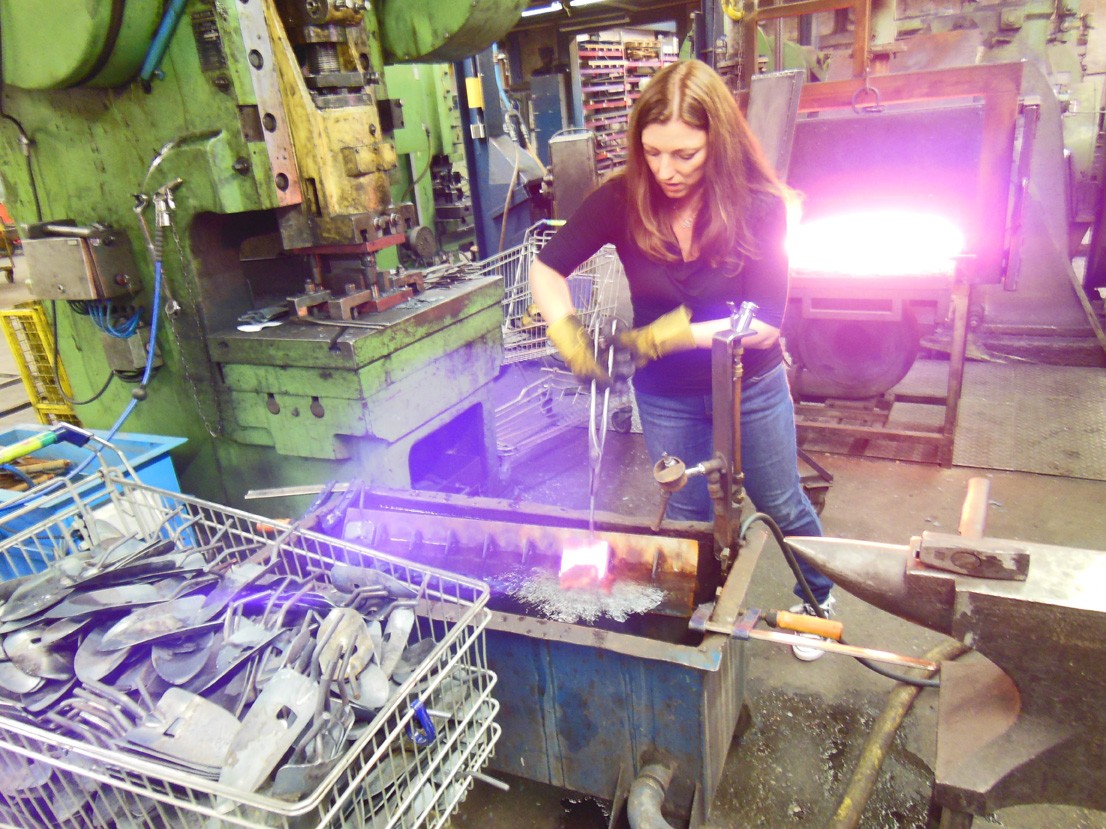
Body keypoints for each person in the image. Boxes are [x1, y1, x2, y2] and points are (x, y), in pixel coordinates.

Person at [529, 59, 834, 660]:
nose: (664, 170)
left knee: (780, 501)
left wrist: (657, 337)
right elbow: (547, 266)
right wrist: (569, 339)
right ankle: (705, 608)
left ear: (716, 143)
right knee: (691, 509)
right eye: (652, 152)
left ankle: (818, 600)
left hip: (750, 386)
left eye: (684, 155)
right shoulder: (623, 198)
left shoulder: (761, 204)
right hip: (665, 394)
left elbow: (765, 324)